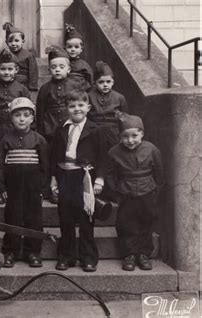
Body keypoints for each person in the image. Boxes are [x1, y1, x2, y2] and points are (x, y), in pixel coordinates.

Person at [50, 90, 107, 272]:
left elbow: (103, 157)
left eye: (81, 105)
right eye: (72, 106)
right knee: (65, 218)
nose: (77, 109)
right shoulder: (61, 129)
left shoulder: (96, 130)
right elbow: (53, 156)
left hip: (84, 177)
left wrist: (99, 179)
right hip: (64, 176)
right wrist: (53, 179)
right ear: (67, 108)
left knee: (85, 219)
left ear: (88, 108)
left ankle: (88, 257)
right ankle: (66, 256)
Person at [0, 97, 49, 268]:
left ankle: (33, 252)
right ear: (11, 118)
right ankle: (10, 251)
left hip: (33, 187)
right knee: (12, 217)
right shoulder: (6, 140)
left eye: (26, 115)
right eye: (17, 115)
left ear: (32, 118)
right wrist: (1, 187)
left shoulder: (39, 139)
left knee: (34, 218)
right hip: (13, 186)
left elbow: (45, 166)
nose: (22, 119)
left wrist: (43, 188)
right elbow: (0, 165)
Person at [108, 113, 164, 271]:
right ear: (120, 136)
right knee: (126, 224)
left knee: (146, 222)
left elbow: (159, 171)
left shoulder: (151, 149)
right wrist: (116, 191)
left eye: (134, 136)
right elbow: (110, 174)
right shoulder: (114, 152)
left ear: (142, 134)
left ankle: (144, 254)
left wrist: (156, 190)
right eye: (125, 136)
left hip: (147, 191)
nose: (130, 140)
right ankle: (129, 255)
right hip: (126, 193)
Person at [0, 49, 30, 204]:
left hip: (17, 128)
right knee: (0, 159)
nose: (6, 72)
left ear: (16, 70)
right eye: (3, 69)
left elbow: (28, 111)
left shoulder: (22, 89)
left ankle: (16, 189)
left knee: (16, 158)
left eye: (10, 69)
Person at [36, 46, 79, 203]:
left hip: (69, 129)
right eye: (54, 67)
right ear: (49, 69)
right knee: (50, 160)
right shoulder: (45, 89)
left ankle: (68, 190)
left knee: (68, 160)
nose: (57, 70)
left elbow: (79, 106)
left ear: (68, 69)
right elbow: (40, 111)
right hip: (50, 130)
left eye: (61, 67)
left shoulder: (75, 86)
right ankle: (49, 190)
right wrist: (40, 131)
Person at [88, 61, 128, 148]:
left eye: (108, 82)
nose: (105, 85)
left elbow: (124, 118)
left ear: (113, 82)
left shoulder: (119, 97)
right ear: (94, 83)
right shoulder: (89, 96)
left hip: (114, 134)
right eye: (101, 82)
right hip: (94, 133)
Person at [0, 23, 38, 92]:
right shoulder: (3, 54)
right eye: (10, 41)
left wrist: (32, 88)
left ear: (22, 42)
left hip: (24, 85)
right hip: (6, 84)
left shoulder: (28, 55)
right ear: (6, 42)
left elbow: (33, 73)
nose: (13, 44)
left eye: (16, 41)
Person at [64, 24, 93, 91]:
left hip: (80, 92)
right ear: (65, 48)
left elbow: (90, 80)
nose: (73, 49)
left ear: (81, 49)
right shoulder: (63, 63)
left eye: (76, 47)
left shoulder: (84, 65)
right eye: (69, 47)